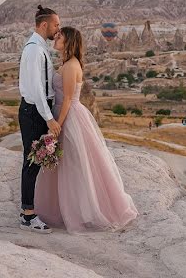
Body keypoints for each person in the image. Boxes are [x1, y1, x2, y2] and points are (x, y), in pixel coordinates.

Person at [34, 27, 138, 232]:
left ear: (69, 41)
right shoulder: (66, 63)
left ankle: (83, 211)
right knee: (64, 165)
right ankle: (65, 209)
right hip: (63, 116)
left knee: (74, 165)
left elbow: (68, 101)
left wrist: (57, 126)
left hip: (69, 118)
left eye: (60, 36)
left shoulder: (72, 66)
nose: (56, 37)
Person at [18, 5, 61, 234]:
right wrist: (49, 119)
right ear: (44, 25)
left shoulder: (39, 47)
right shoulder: (35, 49)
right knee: (32, 161)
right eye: (56, 24)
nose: (58, 29)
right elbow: (36, 89)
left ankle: (27, 210)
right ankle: (28, 215)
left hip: (35, 110)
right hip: (34, 111)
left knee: (33, 161)